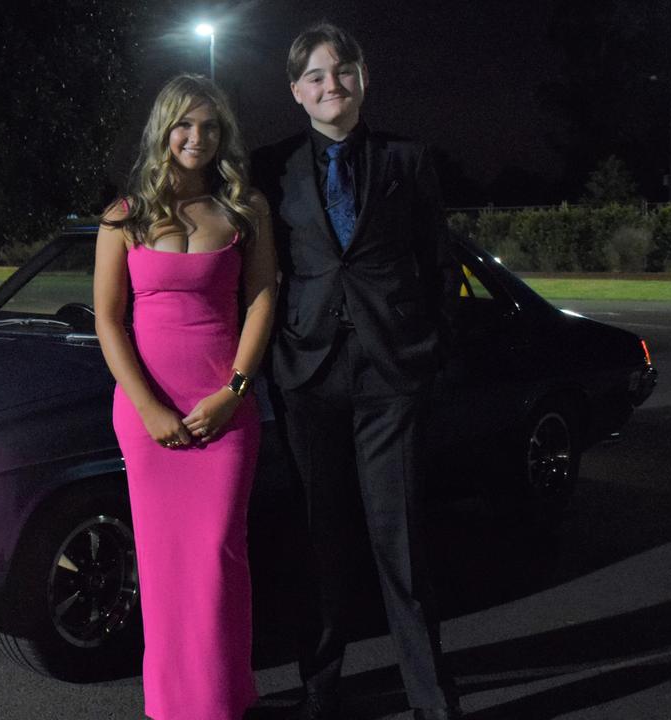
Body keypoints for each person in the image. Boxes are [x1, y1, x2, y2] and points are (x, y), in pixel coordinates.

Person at [250, 23, 462, 720]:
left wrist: (427, 351)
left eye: (341, 72)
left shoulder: (408, 158)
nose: (330, 85)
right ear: (295, 92)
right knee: (318, 544)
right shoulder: (271, 168)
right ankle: (319, 691)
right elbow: (255, 268)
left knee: (400, 545)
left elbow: (440, 265)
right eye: (314, 76)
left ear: (363, 80)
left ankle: (432, 700)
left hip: (390, 377)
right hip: (307, 376)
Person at [94, 74, 277, 720]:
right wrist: (148, 409)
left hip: (223, 413)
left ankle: (224, 700)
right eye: (184, 125)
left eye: (210, 127)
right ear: (163, 130)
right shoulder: (124, 217)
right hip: (147, 415)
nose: (197, 138)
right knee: (165, 563)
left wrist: (235, 391)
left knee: (218, 556)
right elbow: (108, 321)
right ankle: (173, 706)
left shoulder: (245, 208)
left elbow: (261, 301)